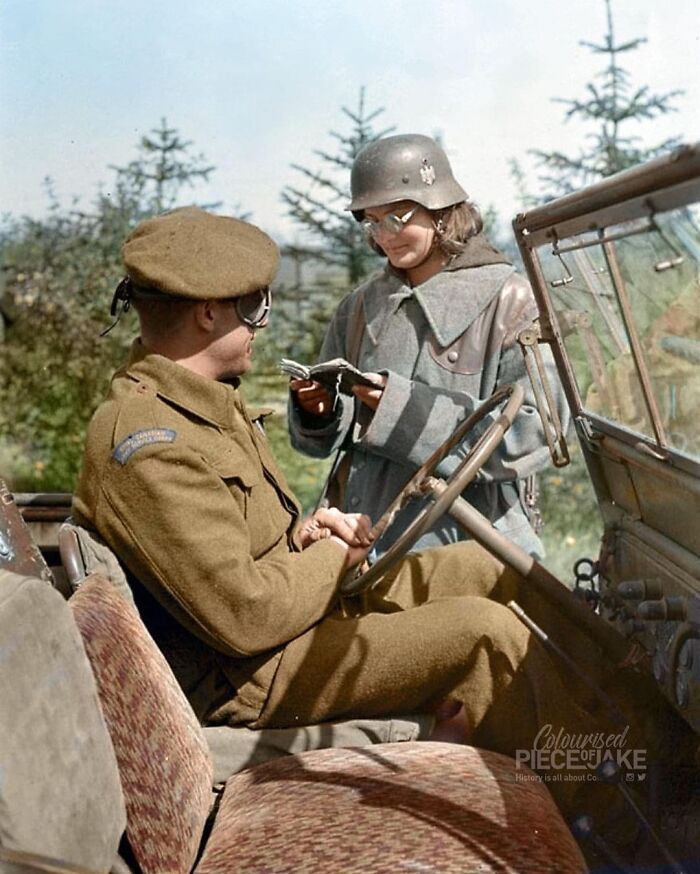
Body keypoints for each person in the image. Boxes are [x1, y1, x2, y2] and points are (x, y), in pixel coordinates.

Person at [73, 207, 660, 838]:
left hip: (289, 618)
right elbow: (243, 616)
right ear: (208, 313)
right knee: (484, 636)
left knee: (490, 566)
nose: (260, 327)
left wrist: (307, 535)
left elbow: (234, 546)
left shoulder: (201, 403)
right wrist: (332, 556)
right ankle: (615, 818)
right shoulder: (150, 440)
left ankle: (635, 737)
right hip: (254, 672)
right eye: (255, 308)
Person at [288, 134, 568, 558]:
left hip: (469, 549)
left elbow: (538, 435)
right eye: (371, 221)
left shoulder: (510, 301)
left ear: (441, 212)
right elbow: (329, 441)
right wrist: (321, 412)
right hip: (361, 542)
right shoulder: (360, 307)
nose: (384, 235)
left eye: (397, 218)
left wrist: (401, 409)